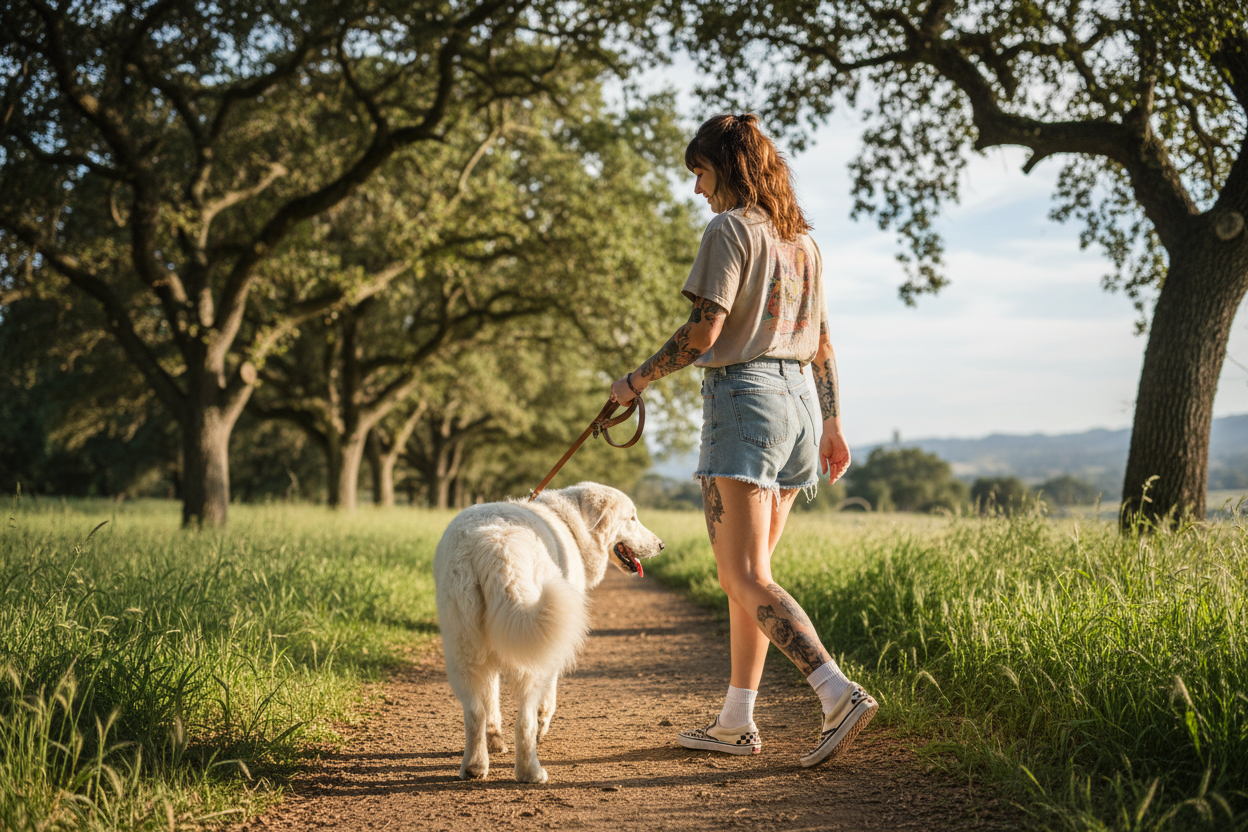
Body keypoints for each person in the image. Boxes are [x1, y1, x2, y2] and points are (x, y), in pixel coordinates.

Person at [609, 113, 876, 767]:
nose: (697, 189)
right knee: (749, 580)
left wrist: (636, 381)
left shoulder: (728, 230)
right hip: (799, 411)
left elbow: (703, 334)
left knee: (743, 573)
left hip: (743, 403)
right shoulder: (801, 242)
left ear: (725, 167)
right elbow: (823, 341)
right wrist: (834, 425)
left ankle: (836, 693)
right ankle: (736, 722)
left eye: (699, 172)